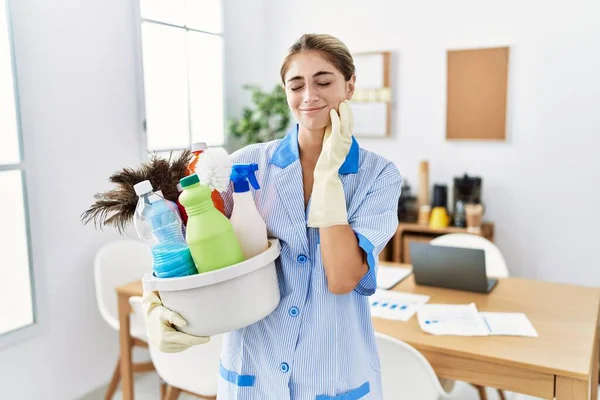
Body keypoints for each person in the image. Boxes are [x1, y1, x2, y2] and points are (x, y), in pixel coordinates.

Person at [143, 33, 402, 399]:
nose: (309, 96)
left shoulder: (379, 176)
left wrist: (329, 176)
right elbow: (179, 242)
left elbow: (342, 277)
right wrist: (153, 304)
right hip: (253, 374)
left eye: (324, 81)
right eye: (296, 85)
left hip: (334, 375)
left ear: (350, 85)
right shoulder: (245, 164)